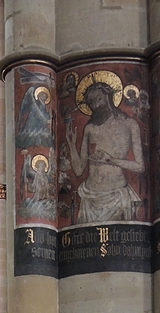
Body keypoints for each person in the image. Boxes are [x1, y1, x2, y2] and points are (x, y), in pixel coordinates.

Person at [66, 80, 144, 224]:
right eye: (91, 102)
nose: (95, 105)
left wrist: (110, 159)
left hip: (117, 195)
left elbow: (140, 166)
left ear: (109, 97)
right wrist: (71, 144)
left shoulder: (129, 125)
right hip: (90, 197)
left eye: (98, 99)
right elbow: (78, 170)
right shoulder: (90, 128)